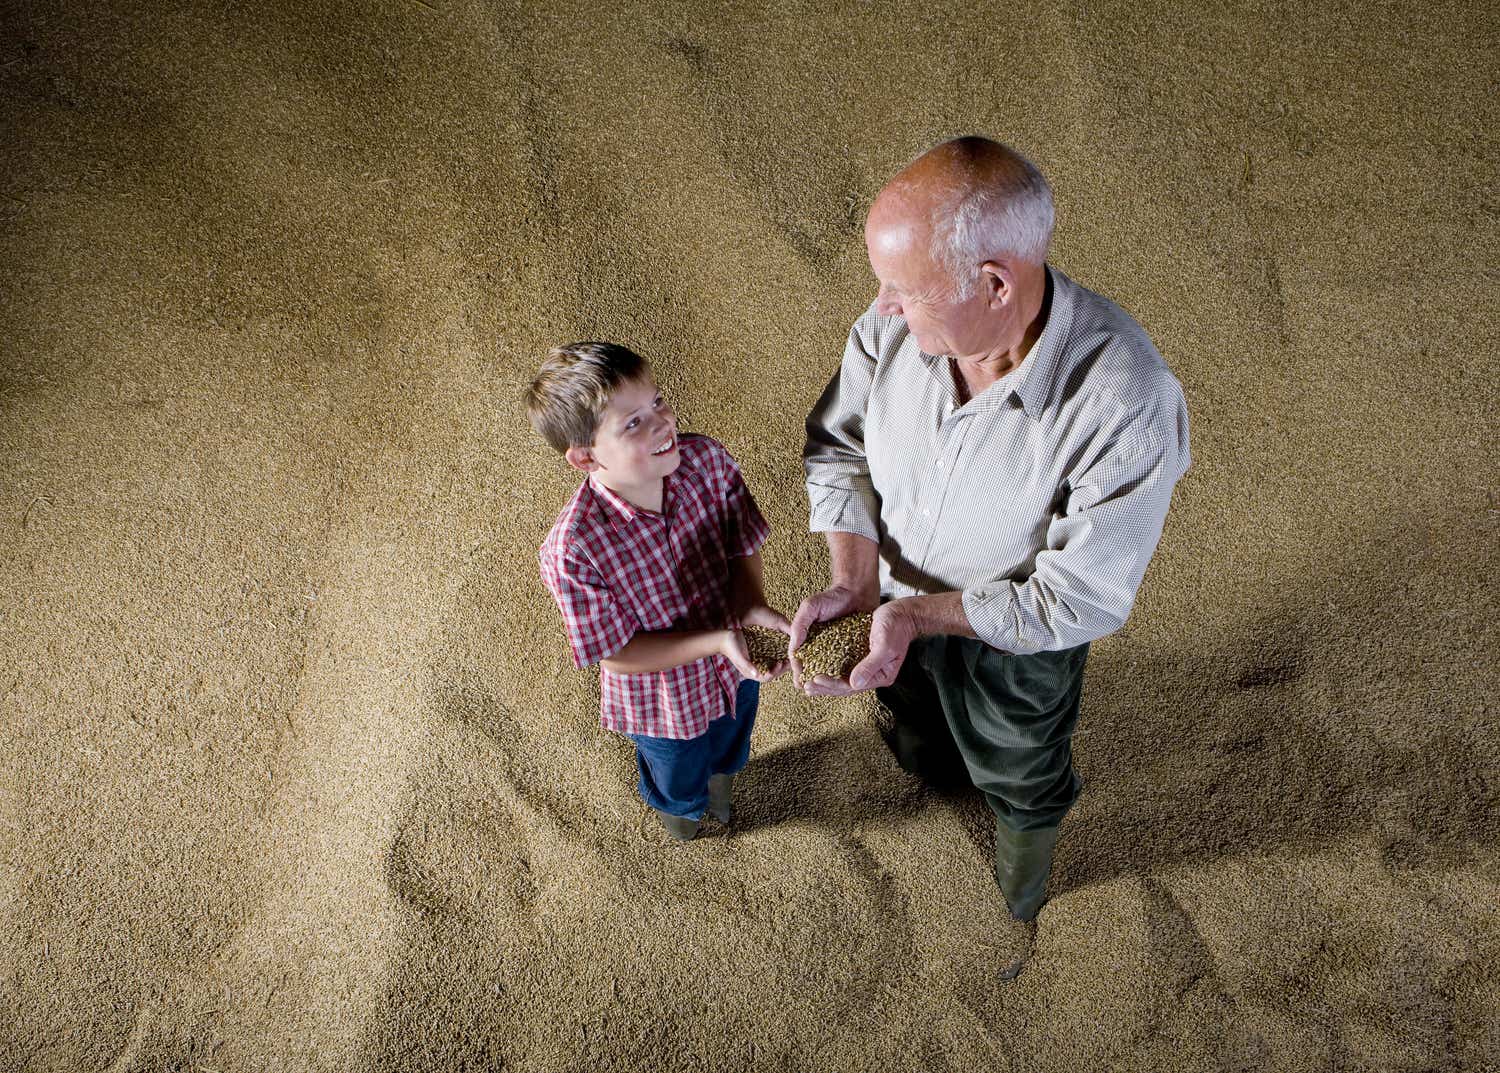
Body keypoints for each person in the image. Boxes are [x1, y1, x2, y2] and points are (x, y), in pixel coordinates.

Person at [793, 137, 1191, 964]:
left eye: (903, 288)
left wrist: (917, 614)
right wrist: (856, 578)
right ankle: (928, 766)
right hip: (892, 606)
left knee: (1019, 761)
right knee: (912, 719)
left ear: (995, 282)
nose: (882, 305)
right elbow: (838, 446)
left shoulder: (1128, 404)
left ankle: (1023, 882)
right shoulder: (887, 330)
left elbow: (1078, 600)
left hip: (1017, 642)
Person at [529, 342, 790, 842]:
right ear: (584, 457)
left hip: (734, 668)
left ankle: (721, 789)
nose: (662, 423)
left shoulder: (707, 462)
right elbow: (616, 654)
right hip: (661, 702)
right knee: (676, 773)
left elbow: (740, 544)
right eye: (632, 423)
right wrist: (715, 640)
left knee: (732, 745)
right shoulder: (573, 549)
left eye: (658, 402)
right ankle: (683, 815)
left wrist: (749, 600)